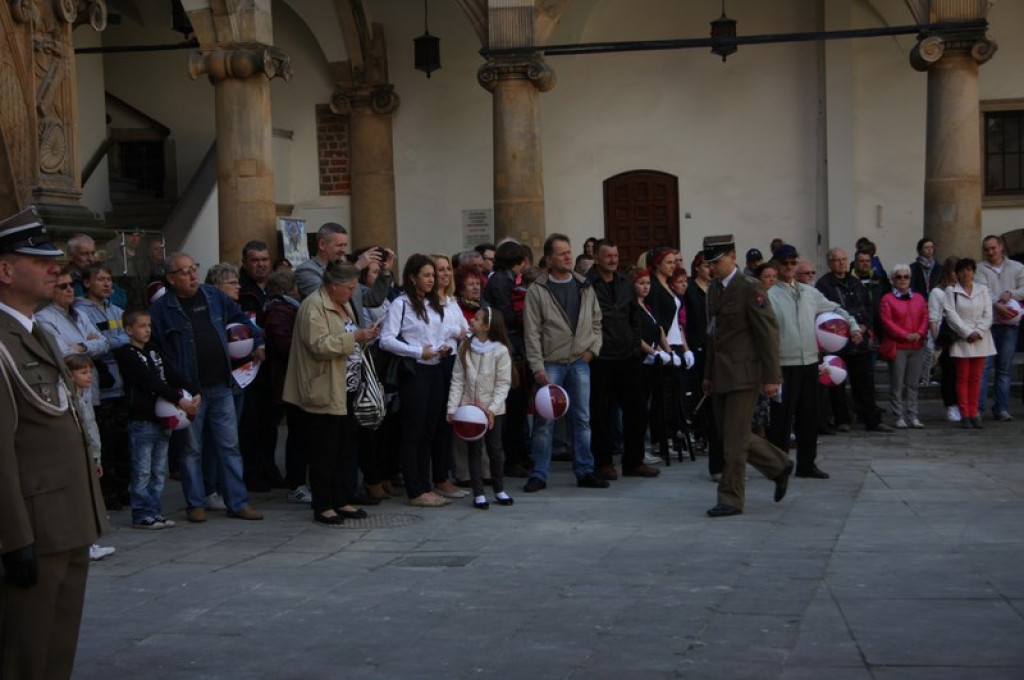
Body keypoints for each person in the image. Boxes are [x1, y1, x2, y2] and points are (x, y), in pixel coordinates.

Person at [0, 206, 108, 680]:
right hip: (34, 527)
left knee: (56, 649)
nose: (54, 268)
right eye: (40, 260)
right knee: (26, 652)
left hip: (67, 519)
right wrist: (13, 538)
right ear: (5, 270)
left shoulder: (34, 330)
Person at [148, 252, 264, 522]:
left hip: (221, 385)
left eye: (194, 268)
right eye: (185, 271)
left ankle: (238, 502)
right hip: (191, 392)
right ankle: (195, 503)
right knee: (191, 451)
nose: (192, 275)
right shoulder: (161, 310)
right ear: (170, 278)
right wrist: (173, 389)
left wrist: (257, 339)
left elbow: (242, 319)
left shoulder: (213, 296)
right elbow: (156, 353)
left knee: (229, 446)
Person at [701, 234, 792, 517]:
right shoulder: (714, 290)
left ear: (733, 257)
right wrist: (707, 374)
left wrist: (772, 377)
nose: (713, 267)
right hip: (721, 374)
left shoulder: (750, 288)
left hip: (744, 375)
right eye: (710, 262)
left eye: (717, 261)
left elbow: (767, 335)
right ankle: (778, 465)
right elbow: (714, 338)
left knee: (734, 443)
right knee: (732, 435)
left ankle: (730, 498)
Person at [282, 262, 378, 524]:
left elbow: (346, 334)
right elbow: (318, 345)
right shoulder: (313, 305)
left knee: (342, 449)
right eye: (349, 287)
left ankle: (341, 500)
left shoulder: (341, 302)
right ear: (333, 285)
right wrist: (355, 337)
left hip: (344, 386)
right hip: (322, 388)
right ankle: (323, 505)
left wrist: (364, 336)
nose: (353, 292)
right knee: (323, 451)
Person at [522, 233, 607, 492]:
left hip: (580, 361)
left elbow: (596, 322)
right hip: (551, 363)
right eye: (562, 253)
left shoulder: (584, 285)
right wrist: (537, 367)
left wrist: (592, 350)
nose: (568, 257)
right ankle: (539, 473)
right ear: (549, 259)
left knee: (582, 419)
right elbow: (532, 332)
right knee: (544, 421)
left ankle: (585, 470)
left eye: (569, 252)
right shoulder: (538, 290)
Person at [767, 245, 858, 479]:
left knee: (809, 416)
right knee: (782, 418)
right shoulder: (769, 295)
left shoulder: (809, 293)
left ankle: (807, 464)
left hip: (808, 362)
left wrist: (853, 326)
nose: (789, 267)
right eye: (785, 263)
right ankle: (778, 465)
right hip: (783, 363)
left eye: (793, 263)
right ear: (776, 265)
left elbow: (836, 308)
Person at [380, 254, 457, 507]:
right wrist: (417, 351)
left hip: (436, 368)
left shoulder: (433, 304)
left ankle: (426, 486)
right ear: (412, 277)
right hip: (415, 371)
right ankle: (415, 490)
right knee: (412, 432)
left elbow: (440, 333)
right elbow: (386, 340)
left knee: (429, 431)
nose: (431, 279)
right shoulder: (401, 304)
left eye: (433, 275)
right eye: (426, 275)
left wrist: (441, 347)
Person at [115, 309, 197, 529]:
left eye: (149, 326)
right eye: (142, 326)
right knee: (142, 469)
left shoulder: (154, 350)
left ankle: (154, 510)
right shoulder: (127, 354)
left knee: (158, 469)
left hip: (163, 418)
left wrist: (192, 390)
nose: (147, 330)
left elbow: (170, 374)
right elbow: (150, 381)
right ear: (129, 330)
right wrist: (179, 399)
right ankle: (141, 513)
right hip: (142, 418)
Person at [585, 240, 657, 479]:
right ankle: (604, 462)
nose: (613, 260)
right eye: (608, 256)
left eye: (616, 256)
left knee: (637, 409)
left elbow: (633, 315)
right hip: (601, 357)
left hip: (627, 357)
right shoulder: (587, 285)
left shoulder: (626, 283)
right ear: (597, 258)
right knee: (601, 413)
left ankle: (633, 461)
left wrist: (635, 344)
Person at [816, 247, 894, 432]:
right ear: (829, 263)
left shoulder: (856, 282)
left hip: (860, 340)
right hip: (836, 341)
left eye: (844, 259)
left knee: (865, 382)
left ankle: (872, 420)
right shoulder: (824, 285)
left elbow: (868, 308)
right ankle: (842, 419)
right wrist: (847, 330)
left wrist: (862, 328)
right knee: (837, 383)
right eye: (836, 260)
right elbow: (825, 312)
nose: (841, 263)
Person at [446, 306, 515, 509]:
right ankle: (478, 493)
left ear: (486, 326)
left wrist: (491, 409)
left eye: (476, 319)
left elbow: (503, 383)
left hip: (492, 412)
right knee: (474, 450)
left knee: (495, 449)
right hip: (470, 411)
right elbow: (458, 379)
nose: (471, 321)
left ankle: (499, 489)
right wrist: (452, 408)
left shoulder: (500, 351)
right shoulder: (465, 348)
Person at [483, 240, 532, 478]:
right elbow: (506, 316)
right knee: (513, 406)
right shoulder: (502, 281)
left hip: (514, 348)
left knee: (518, 406)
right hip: (509, 350)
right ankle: (513, 458)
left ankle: (520, 455)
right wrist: (528, 316)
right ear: (519, 261)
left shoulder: (505, 279)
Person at [262, 270, 310, 503]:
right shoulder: (280, 311)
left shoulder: (285, 308)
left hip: (291, 378)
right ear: (289, 289)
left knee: (300, 433)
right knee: (299, 433)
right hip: (288, 380)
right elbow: (285, 345)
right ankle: (297, 483)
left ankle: (298, 480)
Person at [64, 354, 117, 561]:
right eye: (83, 373)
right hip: (79, 457)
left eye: (90, 372)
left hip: (91, 455)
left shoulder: (84, 398)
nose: (89, 377)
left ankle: (88, 542)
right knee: (81, 501)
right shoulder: (71, 401)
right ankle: (84, 544)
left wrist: (97, 457)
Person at [34, 268, 109, 406]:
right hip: (68, 391)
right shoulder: (42, 318)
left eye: (72, 285)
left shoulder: (81, 314)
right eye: (63, 286)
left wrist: (82, 346)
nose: (69, 289)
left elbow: (104, 344)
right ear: (51, 290)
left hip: (92, 387)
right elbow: (63, 353)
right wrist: (89, 343)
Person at [430, 253, 470, 499]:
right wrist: (458, 331)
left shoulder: (451, 300)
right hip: (437, 362)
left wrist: (459, 331)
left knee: (449, 420)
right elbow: (446, 329)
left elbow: (464, 328)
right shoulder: (429, 302)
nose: (445, 274)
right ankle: (439, 477)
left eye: (447, 269)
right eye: (439, 270)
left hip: (455, 362)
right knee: (437, 422)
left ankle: (443, 475)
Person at [975, 234, 1024, 421]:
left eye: (993, 248)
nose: (990, 252)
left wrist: (1010, 294)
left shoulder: (1018, 267)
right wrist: (996, 303)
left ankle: (1001, 407)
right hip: (988, 325)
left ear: (1001, 247)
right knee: (984, 368)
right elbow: (982, 290)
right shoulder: (980, 269)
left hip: (1010, 326)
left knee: (1004, 369)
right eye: (987, 249)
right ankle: (979, 408)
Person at [683, 251, 723, 479]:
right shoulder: (691, 290)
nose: (710, 269)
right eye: (706, 266)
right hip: (699, 348)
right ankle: (704, 436)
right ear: (697, 267)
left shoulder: (717, 289)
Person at [944, 258, 996, 429]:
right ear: (956, 274)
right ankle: (964, 413)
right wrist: (967, 332)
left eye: (968, 270)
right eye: (962, 270)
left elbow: (988, 313)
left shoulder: (982, 290)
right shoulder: (951, 291)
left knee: (976, 378)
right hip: (962, 339)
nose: (965, 273)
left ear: (973, 272)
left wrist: (979, 331)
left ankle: (974, 413)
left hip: (981, 338)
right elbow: (951, 315)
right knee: (962, 377)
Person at [879, 264, 929, 429]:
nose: (902, 280)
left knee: (913, 383)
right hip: (898, 346)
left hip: (917, 345)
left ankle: (913, 415)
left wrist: (920, 333)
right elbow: (887, 322)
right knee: (897, 383)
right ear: (893, 280)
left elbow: (925, 317)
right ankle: (898, 415)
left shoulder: (919, 298)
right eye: (898, 277)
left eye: (905, 276)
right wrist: (905, 335)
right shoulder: (887, 299)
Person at [294, 222, 394, 302]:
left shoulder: (343, 267)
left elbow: (372, 299)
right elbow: (324, 297)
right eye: (339, 245)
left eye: (345, 245)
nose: (343, 250)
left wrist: (385, 273)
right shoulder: (306, 270)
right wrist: (356, 268)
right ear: (322, 244)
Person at [929, 256, 961, 422]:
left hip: (963, 337)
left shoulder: (964, 290)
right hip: (947, 338)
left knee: (962, 373)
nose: (957, 275)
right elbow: (934, 319)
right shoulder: (938, 292)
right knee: (949, 373)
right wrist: (937, 341)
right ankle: (951, 405)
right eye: (954, 272)